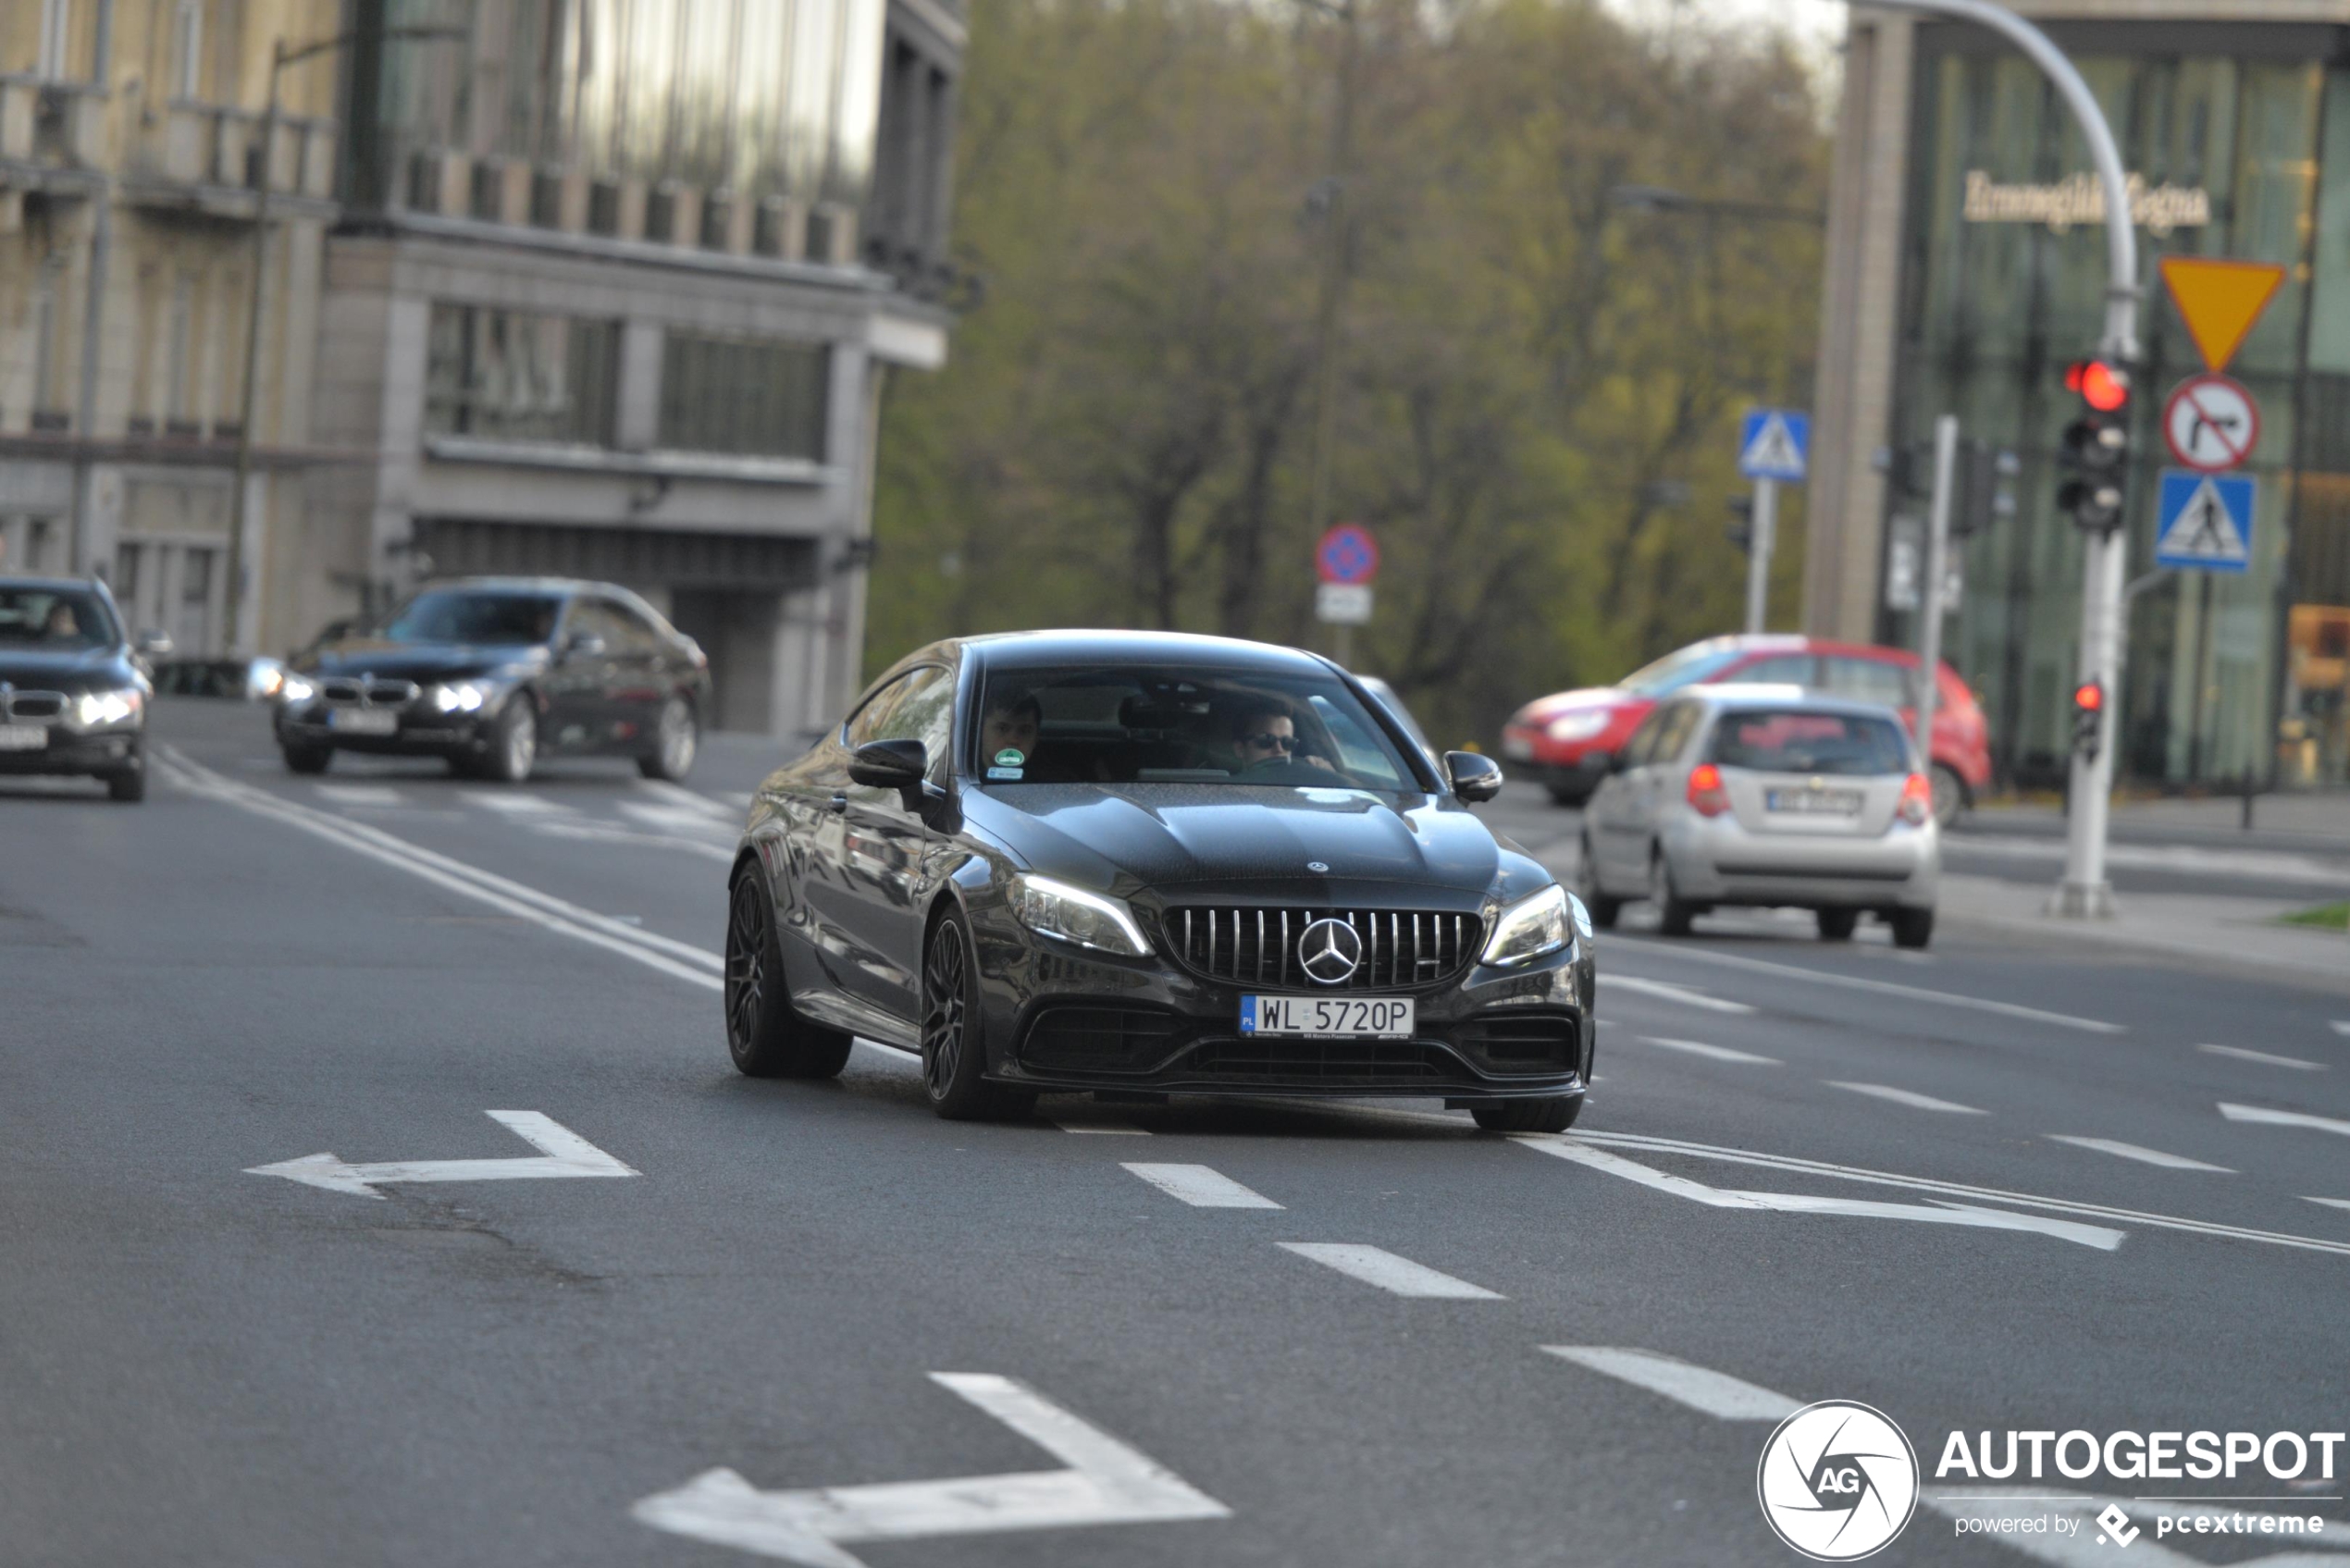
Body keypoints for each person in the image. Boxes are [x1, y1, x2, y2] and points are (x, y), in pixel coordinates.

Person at [1228, 698, 1335, 774]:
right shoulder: (1226, 794)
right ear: (1240, 749)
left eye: (1287, 743)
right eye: (1266, 740)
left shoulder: (1305, 785)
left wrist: (1327, 776)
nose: (1279, 749)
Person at [980, 692, 1041, 762]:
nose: (1013, 740)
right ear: (981, 732)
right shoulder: (965, 766)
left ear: (1036, 738)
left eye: (1024, 731)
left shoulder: (1049, 772)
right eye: (1002, 729)